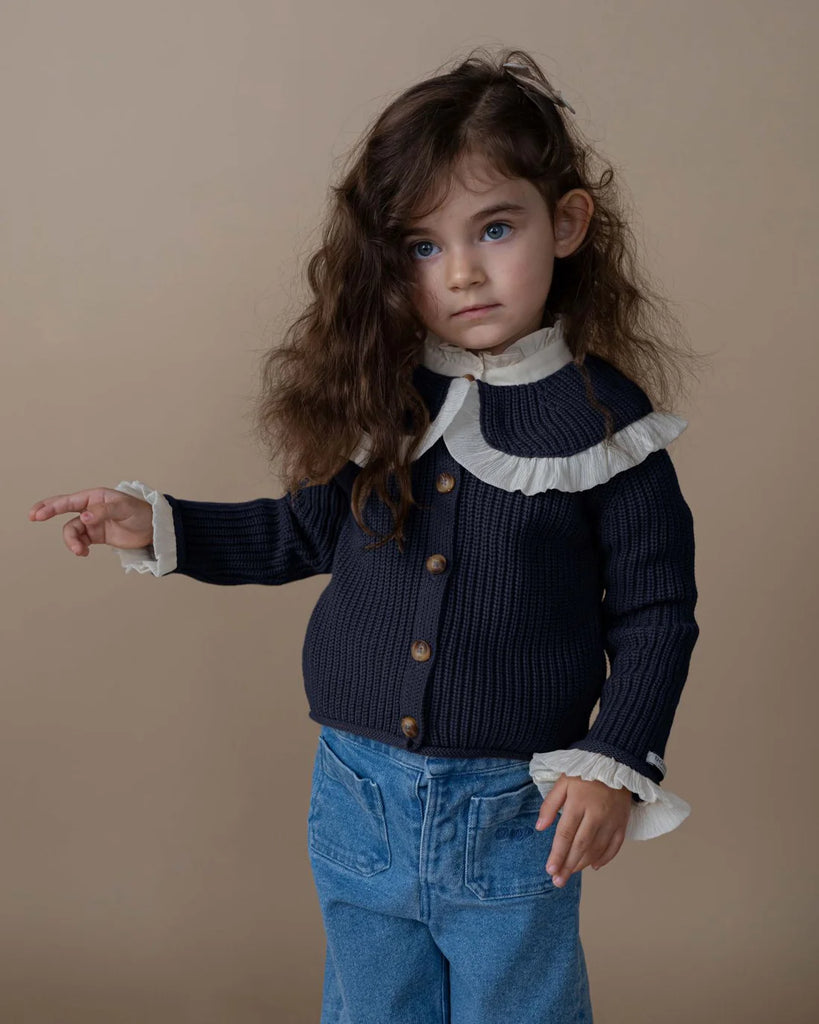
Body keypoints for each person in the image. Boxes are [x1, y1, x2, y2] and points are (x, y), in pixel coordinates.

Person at [28, 47, 702, 1024]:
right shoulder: (381, 398)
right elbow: (299, 534)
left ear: (565, 222)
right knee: (370, 1005)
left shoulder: (606, 422)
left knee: (520, 1006)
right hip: (356, 791)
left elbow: (656, 613)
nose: (462, 271)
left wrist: (614, 759)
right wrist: (158, 523)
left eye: (495, 228)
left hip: (513, 806)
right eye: (423, 246)